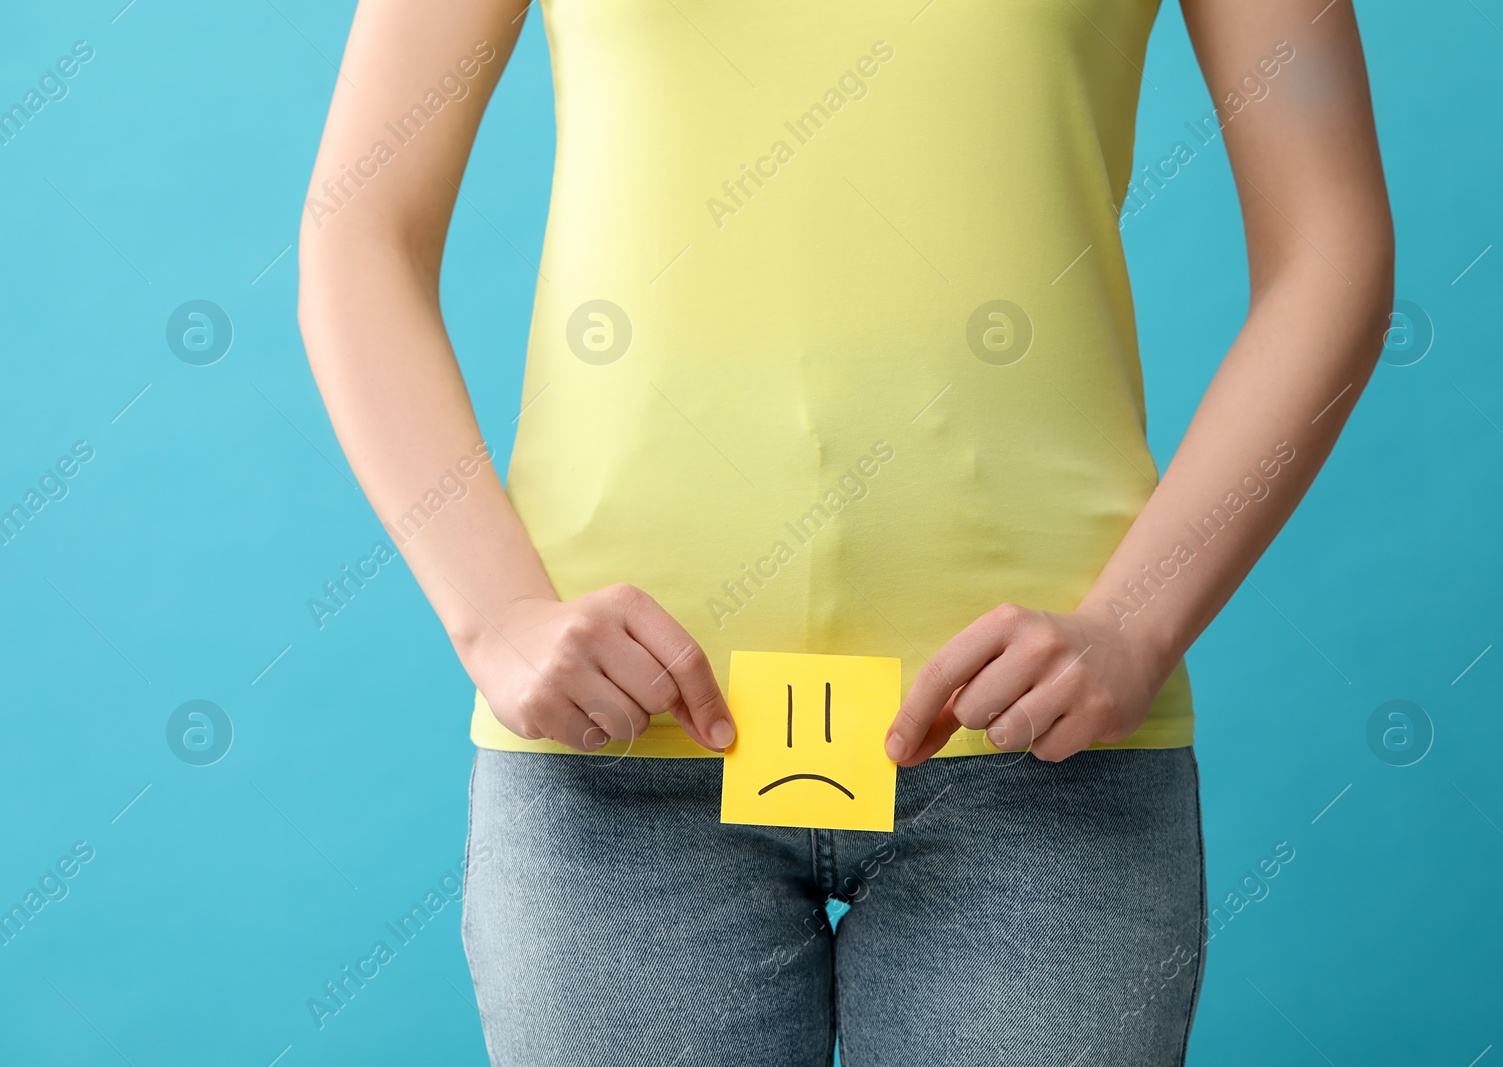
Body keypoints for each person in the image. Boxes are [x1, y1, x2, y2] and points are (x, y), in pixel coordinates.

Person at [298, 0, 1391, 1062]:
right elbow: (359, 226)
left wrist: (1136, 625)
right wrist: (497, 617)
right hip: (615, 738)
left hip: (1041, 747)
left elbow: (1330, 246)